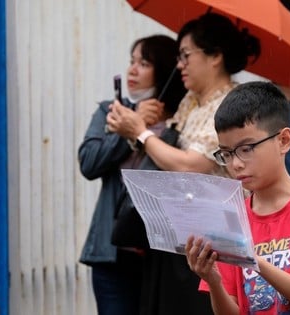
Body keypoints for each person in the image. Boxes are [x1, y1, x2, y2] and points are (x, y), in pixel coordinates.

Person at [106, 12, 261, 315]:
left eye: (186, 55)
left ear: (215, 56)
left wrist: (140, 131)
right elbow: (168, 150)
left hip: (216, 243)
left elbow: (192, 165)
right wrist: (141, 126)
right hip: (180, 237)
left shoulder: (231, 103)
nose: (180, 65)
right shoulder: (191, 101)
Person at [185, 81, 290, 314]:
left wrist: (255, 262)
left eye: (246, 149)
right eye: (226, 153)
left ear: (283, 141)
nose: (235, 163)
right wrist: (213, 281)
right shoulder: (232, 219)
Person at [77, 34, 186, 315]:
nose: (132, 70)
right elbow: (89, 163)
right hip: (112, 256)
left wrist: (145, 131)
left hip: (159, 255)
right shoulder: (110, 112)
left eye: (144, 62)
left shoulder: (180, 119)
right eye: (131, 61)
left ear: (163, 69)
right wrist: (130, 130)